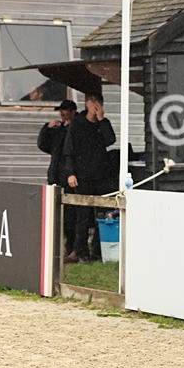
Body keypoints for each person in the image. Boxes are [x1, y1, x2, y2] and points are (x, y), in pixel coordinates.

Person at [63, 94, 116, 264]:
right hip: (82, 175)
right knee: (82, 214)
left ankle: (98, 250)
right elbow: (68, 149)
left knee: (102, 211)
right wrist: (70, 173)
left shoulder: (102, 124)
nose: (95, 106)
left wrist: (101, 119)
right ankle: (79, 250)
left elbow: (110, 140)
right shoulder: (78, 123)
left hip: (100, 174)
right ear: (87, 104)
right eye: (92, 102)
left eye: (98, 103)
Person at [38, 99, 78, 255]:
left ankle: (72, 245)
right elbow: (43, 145)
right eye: (60, 111)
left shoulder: (76, 128)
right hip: (55, 174)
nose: (62, 114)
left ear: (72, 112)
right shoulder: (58, 129)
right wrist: (47, 129)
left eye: (65, 110)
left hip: (68, 175)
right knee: (56, 214)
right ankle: (59, 246)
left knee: (70, 213)